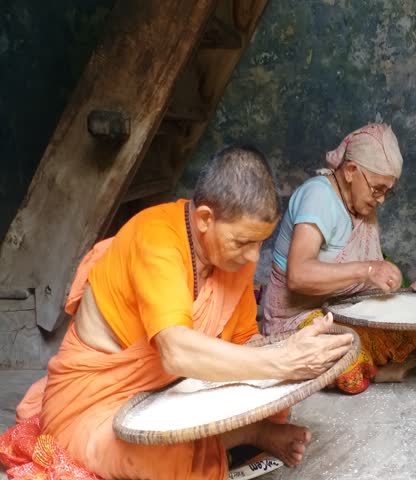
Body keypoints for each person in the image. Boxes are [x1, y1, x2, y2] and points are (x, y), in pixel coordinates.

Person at [0, 146, 353, 479]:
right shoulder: (156, 239)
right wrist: (284, 361)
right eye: (243, 242)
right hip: (96, 402)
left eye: (261, 242)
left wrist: (290, 355)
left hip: (170, 388)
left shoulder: (232, 260)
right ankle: (250, 434)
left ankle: (251, 429)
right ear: (204, 219)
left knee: (273, 398)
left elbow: (246, 340)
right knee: (166, 457)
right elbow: (176, 351)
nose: (252, 258)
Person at [262, 124, 416, 394]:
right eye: (377, 189)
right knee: (349, 365)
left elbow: (364, 276)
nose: (381, 200)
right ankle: (379, 369)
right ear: (350, 171)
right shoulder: (319, 196)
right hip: (293, 315)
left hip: (335, 310)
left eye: (388, 191)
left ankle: (383, 366)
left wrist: (398, 290)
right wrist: (368, 270)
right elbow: (298, 275)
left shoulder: (361, 205)